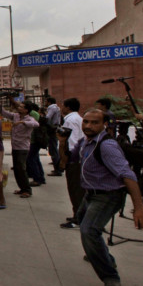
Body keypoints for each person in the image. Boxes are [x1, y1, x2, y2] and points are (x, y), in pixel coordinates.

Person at [71, 109, 143, 286]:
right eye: (86, 122)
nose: (88, 126)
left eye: (94, 122)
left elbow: (127, 175)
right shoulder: (85, 142)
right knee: (83, 222)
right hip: (91, 193)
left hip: (108, 195)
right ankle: (102, 255)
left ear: (104, 124)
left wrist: (139, 207)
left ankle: (110, 276)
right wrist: (63, 142)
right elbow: (68, 159)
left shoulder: (107, 146)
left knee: (89, 231)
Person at [0, 99, 39, 198]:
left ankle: (27, 190)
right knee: (17, 169)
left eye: (21, 107)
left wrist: (22, 122)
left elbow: (36, 124)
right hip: (15, 147)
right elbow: (4, 112)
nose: (19, 108)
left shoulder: (29, 118)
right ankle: (22, 188)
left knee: (21, 169)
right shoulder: (15, 116)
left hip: (23, 148)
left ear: (26, 110)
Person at [58, 98, 85, 228]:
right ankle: (78, 214)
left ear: (68, 107)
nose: (61, 108)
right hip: (79, 158)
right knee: (77, 189)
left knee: (75, 189)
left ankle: (78, 217)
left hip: (74, 159)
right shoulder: (78, 118)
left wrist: (66, 159)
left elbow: (71, 141)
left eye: (63, 105)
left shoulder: (70, 120)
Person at [27, 103, 48, 187]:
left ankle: (37, 179)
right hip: (35, 140)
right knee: (35, 158)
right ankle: (40, 178)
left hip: (35, 141)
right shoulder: (34, 114)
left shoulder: (33, 114)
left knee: (31, 159)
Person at [45, 97, 62, 176]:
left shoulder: (51, 108)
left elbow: (48, 117)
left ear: (49, 102)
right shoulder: (57, 108)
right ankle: (58, 167)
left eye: (46, 101)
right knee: (54, 148)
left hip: (51, 129)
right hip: (55, 128)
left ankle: (57, 169)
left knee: (53, 149)